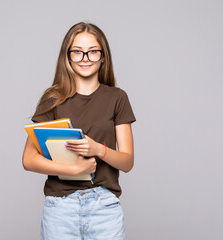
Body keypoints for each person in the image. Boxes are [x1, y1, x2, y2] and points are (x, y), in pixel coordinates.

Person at [22, 22, 136, 240]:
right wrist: (74, 170)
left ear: (103, 57)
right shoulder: (52, 99)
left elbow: (127, 161)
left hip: (105, 206)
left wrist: (98, 149)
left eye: (92, 52)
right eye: (77, 52)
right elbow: (28, 159)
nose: (85, 58)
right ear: (67, 56)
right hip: (60, 208)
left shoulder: (117, 98)